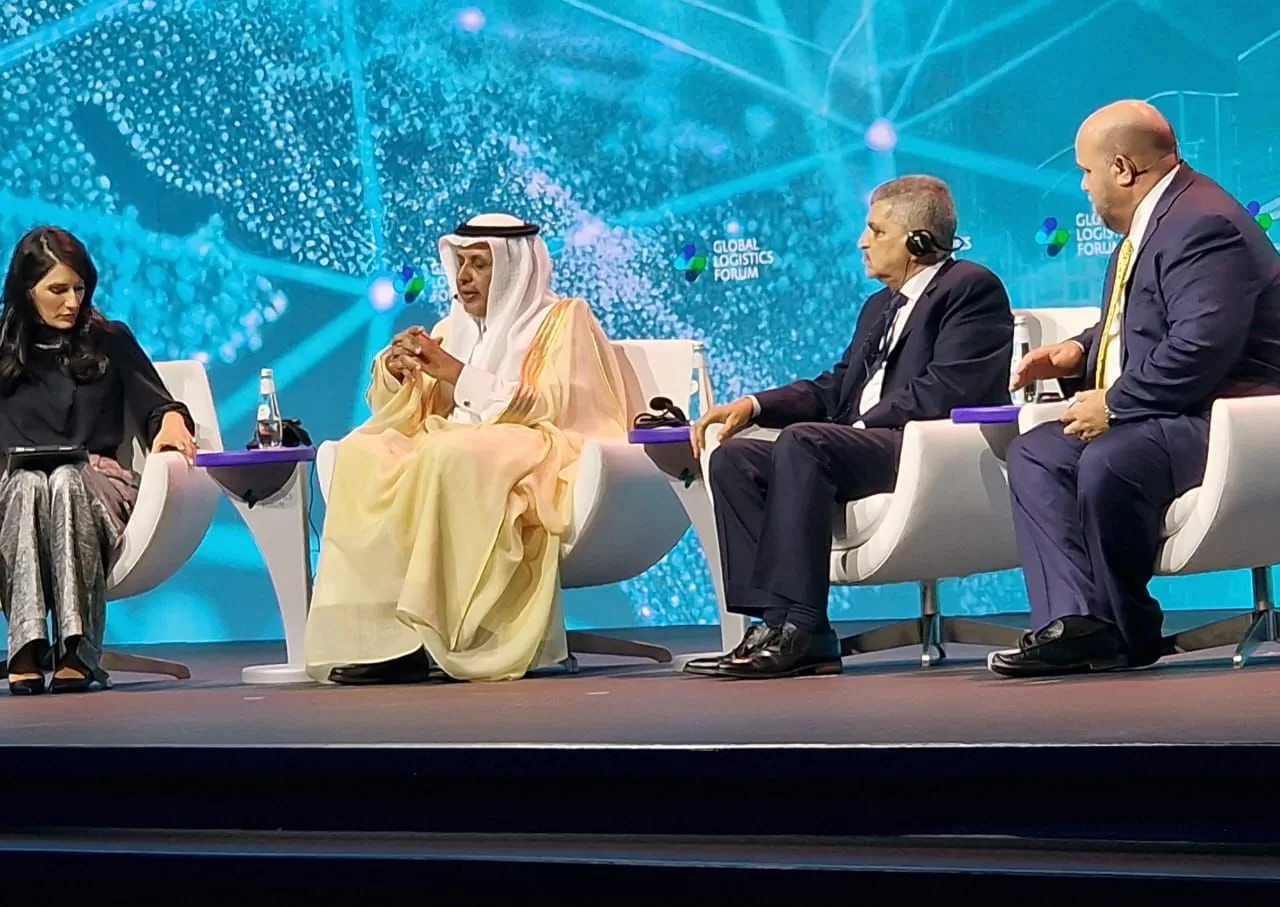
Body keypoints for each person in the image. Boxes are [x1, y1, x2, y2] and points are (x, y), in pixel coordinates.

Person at [991, 100, 1280, 678]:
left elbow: (1200, 344)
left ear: (1122, 168)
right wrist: (1080, 352)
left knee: (1110, 460)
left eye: (1086, 171)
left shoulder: (1203, 223)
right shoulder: (1159, 220)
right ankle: (1078, 623)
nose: (1083, 186)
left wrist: (1114, 404)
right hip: (1174, 410)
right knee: (1038, 453)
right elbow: (1147, 320)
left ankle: (1126, 630)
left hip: (1227, 417)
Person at [686, 175, 1014, 680]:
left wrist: (858, 426)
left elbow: (948, 389)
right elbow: (837, 387)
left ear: (918, 241)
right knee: (734, 457)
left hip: (922, 449)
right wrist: (753, 406)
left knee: (805, 442)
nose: (863, 242)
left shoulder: (969, 289)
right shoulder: (880, 306)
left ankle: (802, 624)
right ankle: (777, 623)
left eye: (876, 231)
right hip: (858, 444)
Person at [305, 213, 628, 685]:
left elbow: (552, 404)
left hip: (535, 444)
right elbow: (414, 406)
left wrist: (457, 373)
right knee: (362, 453)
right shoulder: (452, 326)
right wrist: (397, 369)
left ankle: (443, 637)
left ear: (513, 269)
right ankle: (390, 642)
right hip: (456, 440)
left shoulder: (562, 319)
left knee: (448, 456)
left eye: (480, 264)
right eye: (460, 263)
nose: (464, 277)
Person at [0, 226, 197, 695]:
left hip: (96, 483)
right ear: (27, 291)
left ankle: (78, 649)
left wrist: (172, 421)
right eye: (58, 290)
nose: (72, 301)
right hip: (16, 490)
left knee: (66, 480)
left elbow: (159, 405)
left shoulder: (110, 340)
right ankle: (27, 644)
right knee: (30, 484)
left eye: (79, 288)